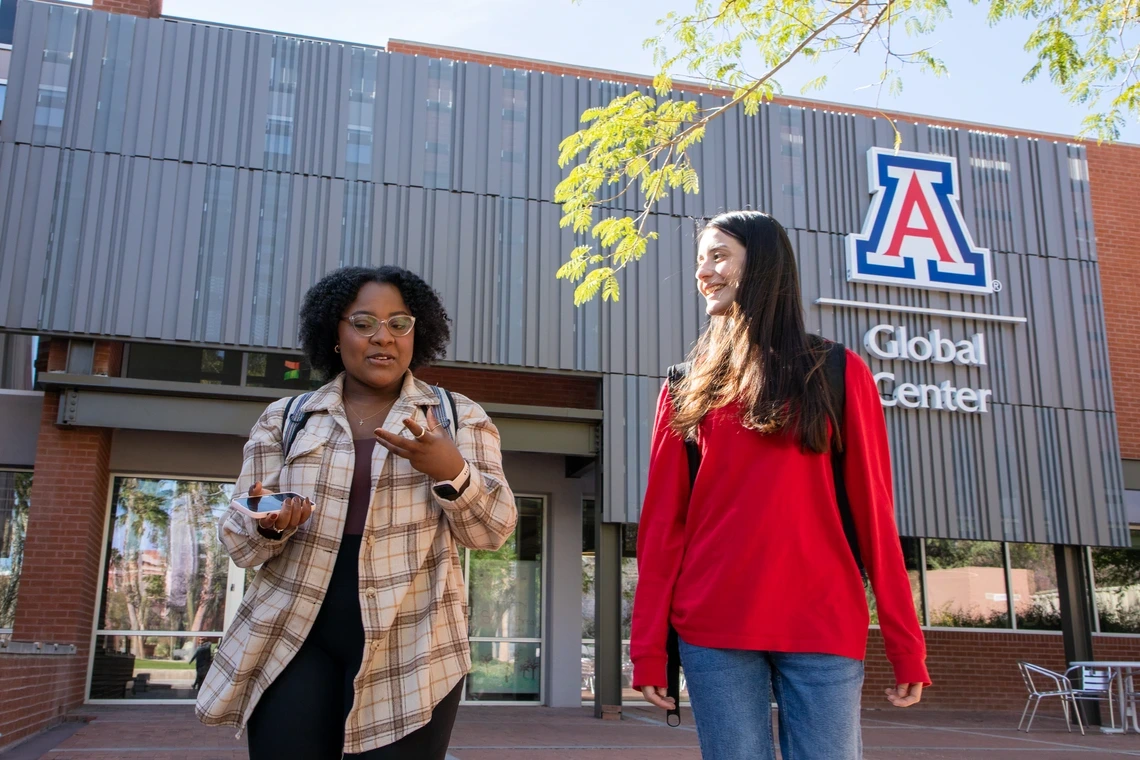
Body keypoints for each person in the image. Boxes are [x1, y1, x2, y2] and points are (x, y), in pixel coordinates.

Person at [630, 211, 930, 760]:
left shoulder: (838, 372)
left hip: (821, 624)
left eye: (718, 255)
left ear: (763, 264)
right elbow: (662, 529)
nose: (703, 271)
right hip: (714, 627)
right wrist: (649, 648)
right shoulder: (684, 386)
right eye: (700, 258)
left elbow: (874, 514)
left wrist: (905, 643)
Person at [195, 266, 518, 759]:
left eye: (398, 323)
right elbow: (238, 543)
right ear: (334, 333)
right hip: (294, 636)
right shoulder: (287, 418)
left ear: (418, 332)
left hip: (414, 643)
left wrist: (451, 469)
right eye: (363, 323)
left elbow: (493, 531)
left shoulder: (457, 416)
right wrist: (269, 524)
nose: (382, 337)